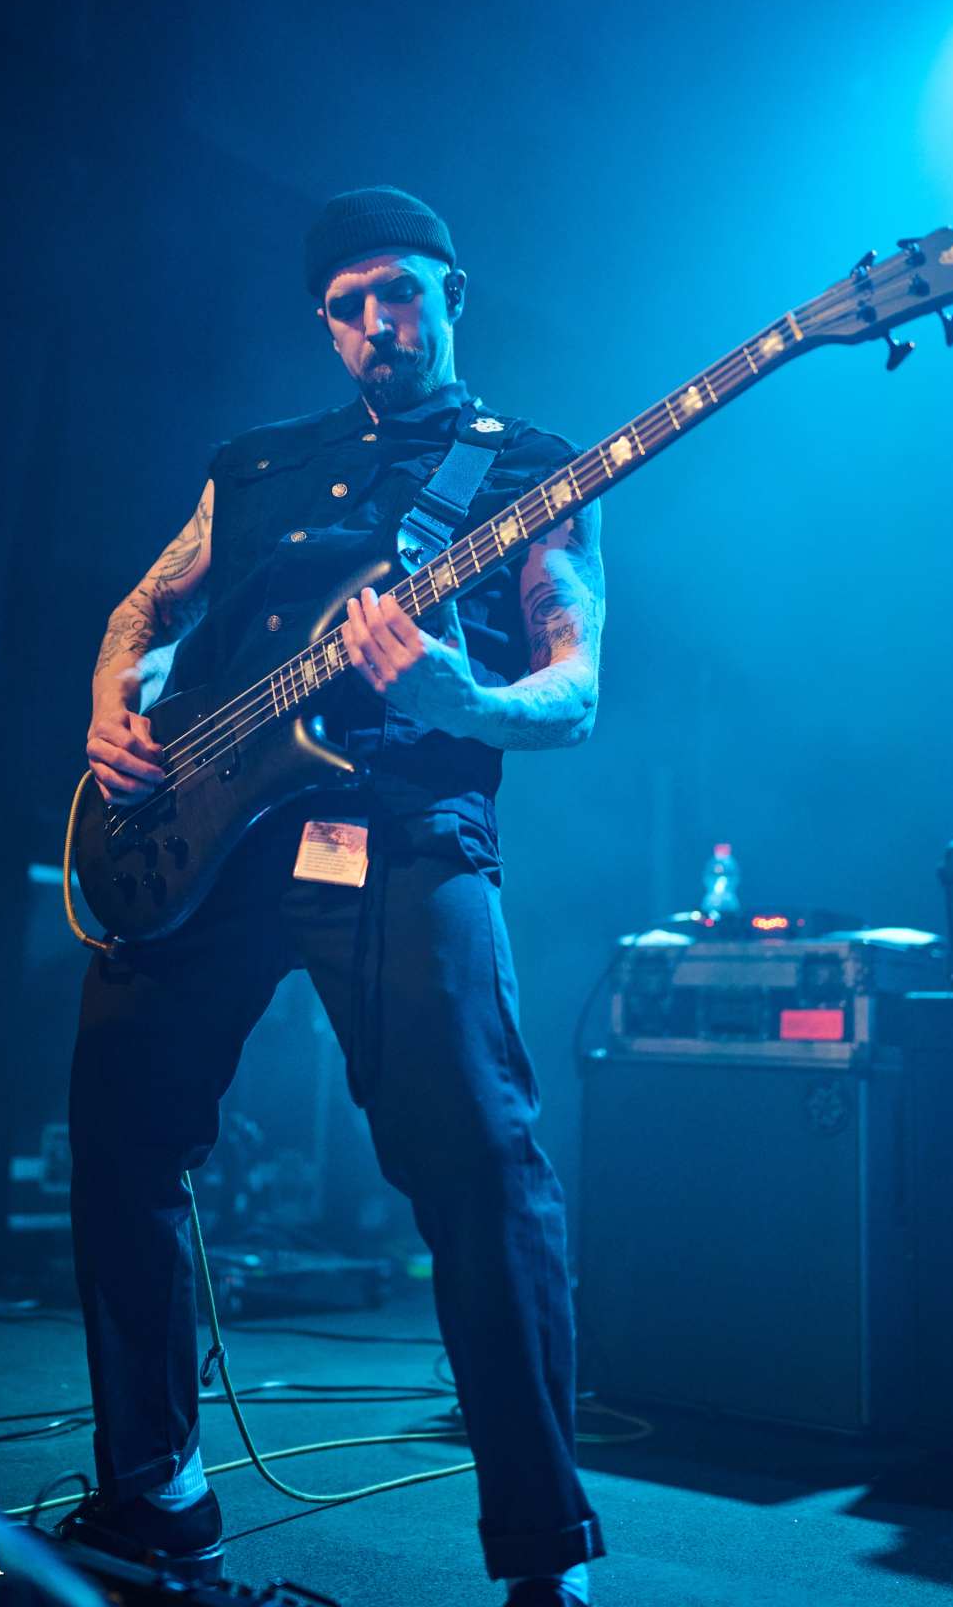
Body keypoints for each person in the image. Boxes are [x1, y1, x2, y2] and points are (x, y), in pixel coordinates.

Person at [62, 187, 606, 1605]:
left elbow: (575, 689)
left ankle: (543, 1555)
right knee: (117, 1139)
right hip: (198, 843)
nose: (380, 323)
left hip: (405, 831)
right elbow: (144, 610)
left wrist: (461, 696)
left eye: (403, 292)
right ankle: (155, 1495)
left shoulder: (522, 469)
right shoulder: (255, 466)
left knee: (481, 1166)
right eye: (351, 304)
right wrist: (113, 707)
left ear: (452, 294)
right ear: (324, 322)